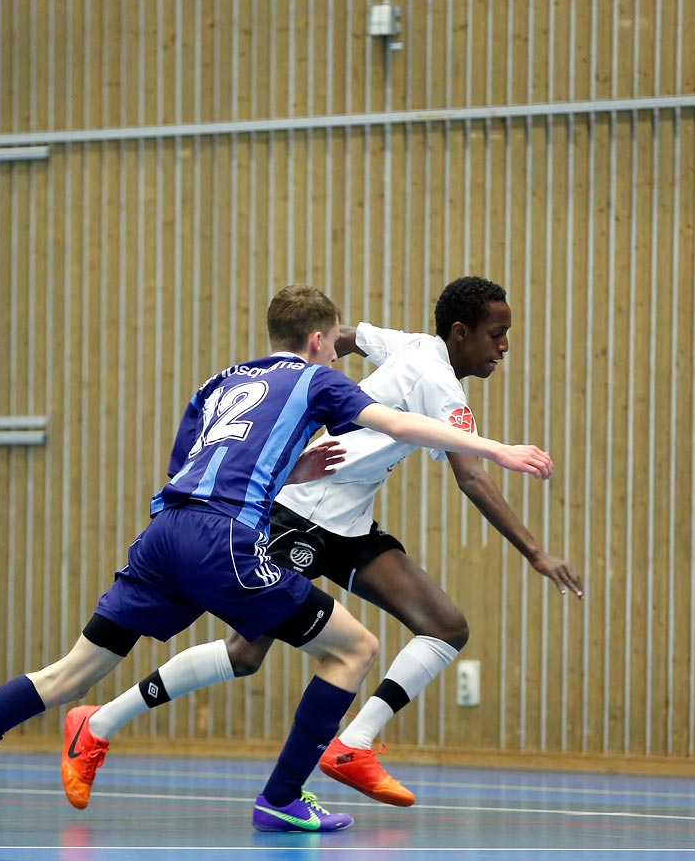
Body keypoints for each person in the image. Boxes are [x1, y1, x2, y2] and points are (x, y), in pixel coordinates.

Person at [0, 284, 553, 833]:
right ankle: (282, 798)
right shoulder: (317, 381)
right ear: (317, 341)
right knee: (353, 648)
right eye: (332, 349)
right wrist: (497, 449)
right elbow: (397, 422)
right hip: (226, 540)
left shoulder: (219, 382)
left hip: (165, 533)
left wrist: (290, 472)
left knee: (66, 674)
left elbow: (193, 467)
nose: (338, 359)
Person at [62, 276, 582, 813]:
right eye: (497, 333)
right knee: (245, 654)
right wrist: (536, 553)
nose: (504, 346)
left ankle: (353, 745)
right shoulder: (440, 383)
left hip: (351, 525)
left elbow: (350, 336)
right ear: (459, 332)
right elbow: (471, 477)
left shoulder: (411, 344)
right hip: (301, 515)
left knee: (445, 627)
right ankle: (97, 722)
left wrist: (314, 360)